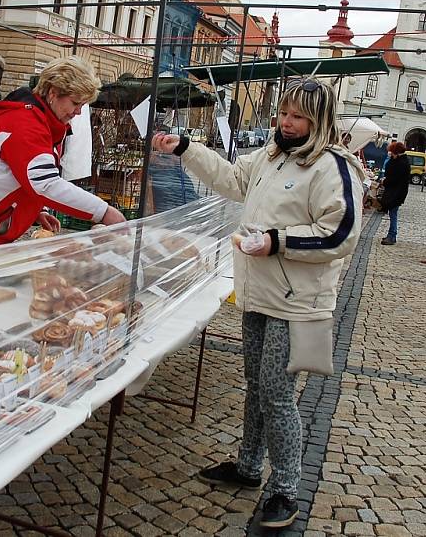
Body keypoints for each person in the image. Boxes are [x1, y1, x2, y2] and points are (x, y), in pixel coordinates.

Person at [153, 79, 364, 529]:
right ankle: (249, 466)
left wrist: (277, 242)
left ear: (319, 121)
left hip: (299, 302)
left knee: (277, 393)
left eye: (297, 116)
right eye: (284, 113)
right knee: (256, 383)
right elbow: (232, 179)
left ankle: (286, 488)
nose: (286, 123)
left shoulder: (333, 167)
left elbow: (341, 232)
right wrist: (185, 148)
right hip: (258, 293)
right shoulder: (271, 156)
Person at [0, 55, 126, 252]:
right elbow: (45, 183)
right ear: (53, 93)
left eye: (82, 105)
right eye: (75, 103)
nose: (78, 113)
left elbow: (24, 174)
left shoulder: (43, 122)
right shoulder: (25, 123)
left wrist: (37, 209)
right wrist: (103, 211)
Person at [379, 141, 410, 245]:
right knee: (392, 213)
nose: (390, 154)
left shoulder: (402, 163)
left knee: (393, 214)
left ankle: (392, 235)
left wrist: (384, 181)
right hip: (396, 192)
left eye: (391, 152)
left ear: (396, 152)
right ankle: (391, 235)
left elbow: (394, 179)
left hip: (396, 193)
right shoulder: (399, 161)